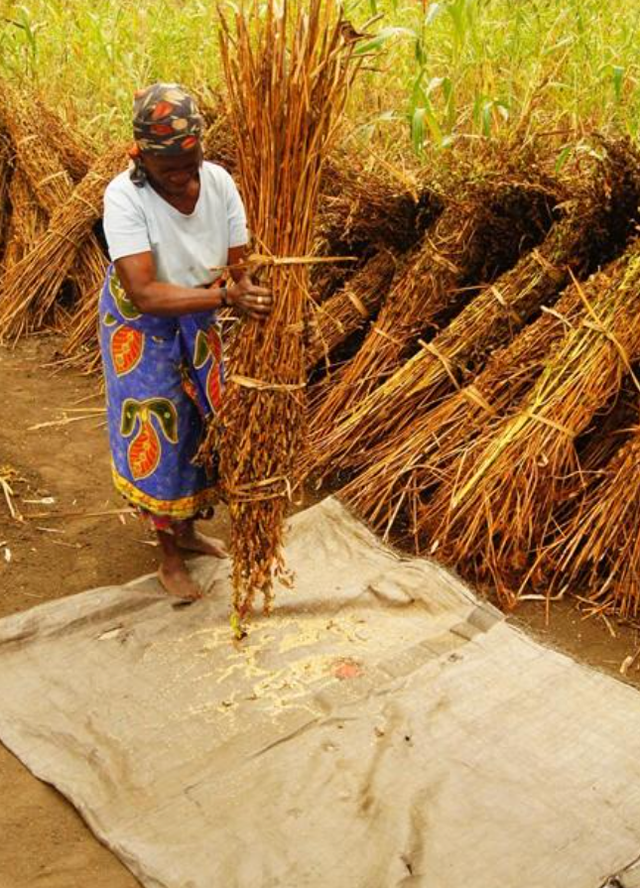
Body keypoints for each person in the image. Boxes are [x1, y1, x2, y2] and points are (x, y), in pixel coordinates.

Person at [100, 83, 271, 601]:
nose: (180, 176)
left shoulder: (218, 182)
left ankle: (190, 530)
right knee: (159, 426)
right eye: (166, 167)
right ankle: (167, 555)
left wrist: (248, 292)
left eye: (188, 162)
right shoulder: (124, 197)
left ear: (200, 147)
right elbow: (146, 292)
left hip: (200, 311)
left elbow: (238, 267)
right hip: (140, 325)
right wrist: (225, 299)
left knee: (202, 422)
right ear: (141, 156)